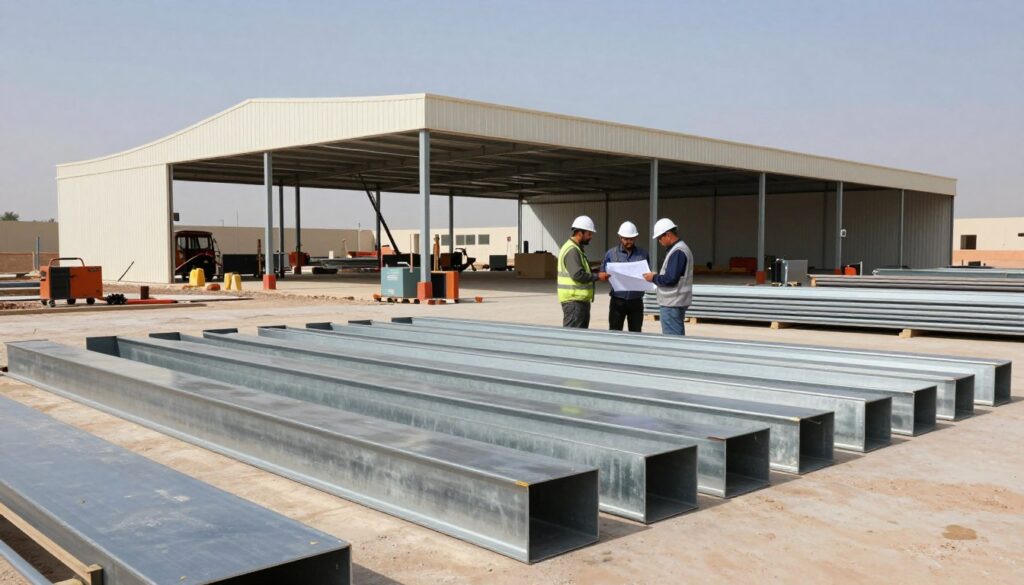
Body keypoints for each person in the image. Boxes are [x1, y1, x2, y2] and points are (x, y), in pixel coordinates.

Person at [643, 218, 693, 335]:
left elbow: (670, 279)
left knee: (673, 340)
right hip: (675, 303)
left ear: (668, 235)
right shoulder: (679, 249)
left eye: (660, 238)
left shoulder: (678, 251)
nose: (660, 241)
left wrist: (653, 278)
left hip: (672, 304)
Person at [600, 221, 649, 332]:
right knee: (615, 332)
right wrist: (605, 275)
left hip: (636, 301)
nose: (628, 242)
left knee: (636, 332)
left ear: (635, 238)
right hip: (617, 300)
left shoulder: (642, 254)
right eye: (626, 239)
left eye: (631, 239)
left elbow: (647, 273)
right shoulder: (611, 254)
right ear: (620, 237)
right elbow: (602, 272)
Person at [557, 215, 605, 328]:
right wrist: (598, 277)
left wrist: (594, 271)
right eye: (589, 234)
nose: (591, 237)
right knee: (573, 338)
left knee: (580, 337)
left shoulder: (576, 248)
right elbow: (577, 275)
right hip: (574, 302)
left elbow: (579, 270)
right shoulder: (572, 250)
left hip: (579, 301)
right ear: (579, 233)